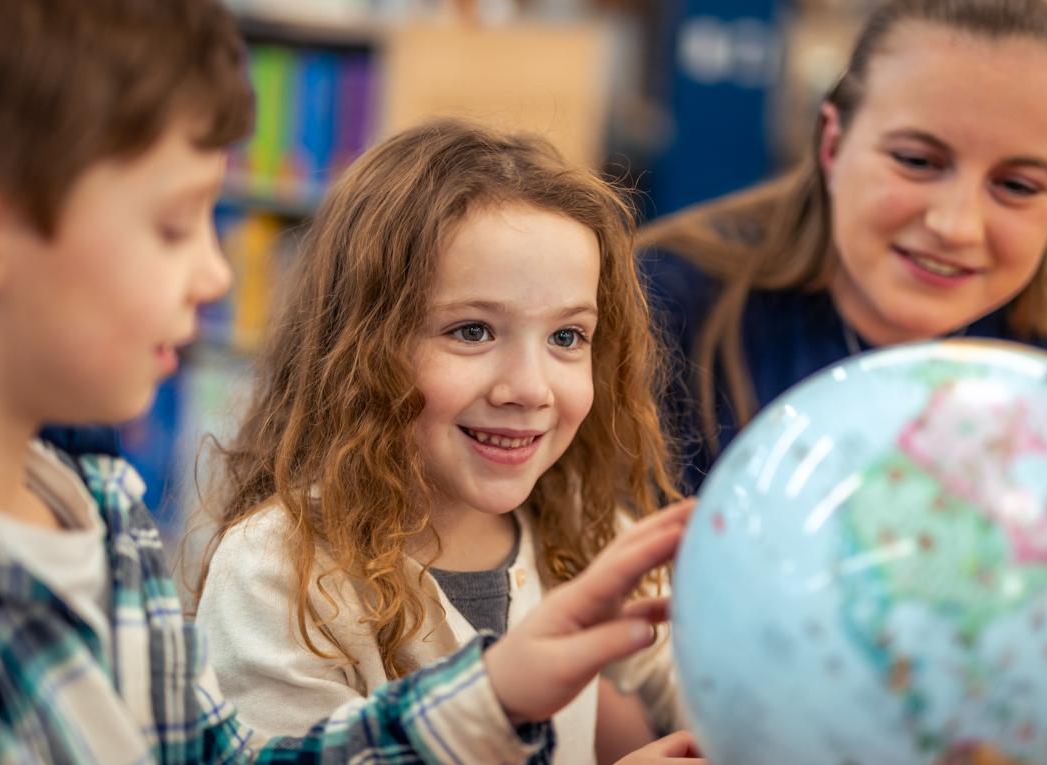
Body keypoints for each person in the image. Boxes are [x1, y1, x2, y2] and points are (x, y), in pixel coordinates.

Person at [0, 2, 695, 762]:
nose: (214, 275)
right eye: (172, 226)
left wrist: (497, 693)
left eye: (571, 337)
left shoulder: (100, 504)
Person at [193, 119, 691, 764]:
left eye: (567, 338)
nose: (529, 388)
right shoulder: (279, 571)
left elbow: (736, 697)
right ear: (360, 350)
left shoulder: (592, 535)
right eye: (473, 331)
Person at [641, 0, 1047, 491]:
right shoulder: (669, 305)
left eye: (1018, 187)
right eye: (916, 161)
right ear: (833, 145)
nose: (956, 226)